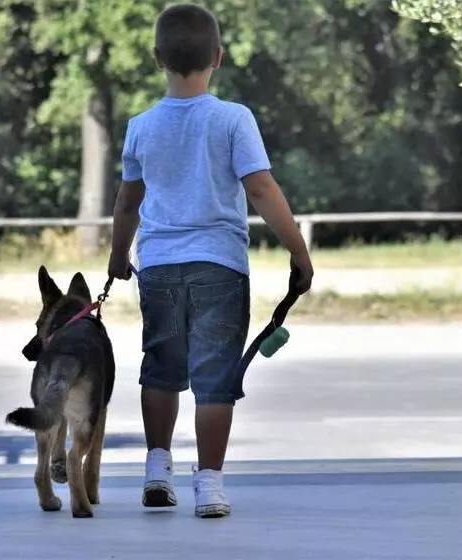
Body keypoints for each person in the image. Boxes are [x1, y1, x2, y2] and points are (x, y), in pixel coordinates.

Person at [106, 2, 313, 519]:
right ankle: (210, 486)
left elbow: (128, 202)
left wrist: (116, 257)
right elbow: (262, 189)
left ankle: (157, 471)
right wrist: (298, 251)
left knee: (161, 367)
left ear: (158, 58)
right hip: (219, 265)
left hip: (157, 267)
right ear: (217, 57)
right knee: (214, 377)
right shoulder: (232, 119)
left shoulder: (141, 127)